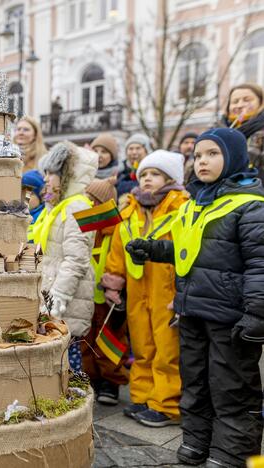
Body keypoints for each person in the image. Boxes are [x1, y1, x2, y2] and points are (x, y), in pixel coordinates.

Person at [126, 128, 264, 467]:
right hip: (193, 310)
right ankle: (197, 441)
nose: (202, 161)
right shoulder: (197, 203)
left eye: (212, 154)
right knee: (195, 383)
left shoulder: (250, 206)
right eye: (198, 155)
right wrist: (155, 250)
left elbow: (260, 264)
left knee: (231, 386)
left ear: (232, 157)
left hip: (229, 317)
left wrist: (257, 314)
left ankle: (231, 452)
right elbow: (191, 251)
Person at [102, 150, 188, 427]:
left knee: (167, 350)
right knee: (141, 346)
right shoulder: (129, 211)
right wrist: (113, 281)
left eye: (156, 174)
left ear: (170, 178)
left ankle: (166, 404)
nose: (148, 179)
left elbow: (185, 250)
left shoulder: (181, 208)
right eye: (145, 174)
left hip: (166, 289)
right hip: (138, 289)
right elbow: (117, 249)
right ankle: (142, 397)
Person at [34, 141, 97, 372]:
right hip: (50, 293)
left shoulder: (78, 207)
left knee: (66, 361)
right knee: (54, 358)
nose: (46, 178)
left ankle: (74, 399)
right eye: (46, 173)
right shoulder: (56, 208)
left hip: (66, 299)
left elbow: (76, 259)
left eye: (53, 173)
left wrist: (58, 297)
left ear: (69, 176)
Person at [80, 179, 129, 406]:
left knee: (109, 340)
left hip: (107, 298)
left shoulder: (115, 228)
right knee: (86, 340)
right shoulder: (83, 227)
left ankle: (111, 381)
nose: (88, 203)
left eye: (93, 200)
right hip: (86, 295)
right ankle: (92, 378)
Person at [220, 82, 264, 180]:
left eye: (247, 100)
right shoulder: (216, 130)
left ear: (261, 102)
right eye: (235, 101)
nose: (240, 105)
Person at [116, 133, 153, 197]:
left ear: (146, 151)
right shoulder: (119, 170)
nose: (134, 152)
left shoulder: (153, 169)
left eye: (138, 148)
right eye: (131, 149)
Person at [21, 170, 45, 242]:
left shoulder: (42, 216)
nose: (26, 199)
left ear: (40, 196)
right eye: (23, 195)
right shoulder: (23, 215)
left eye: (30, 195)